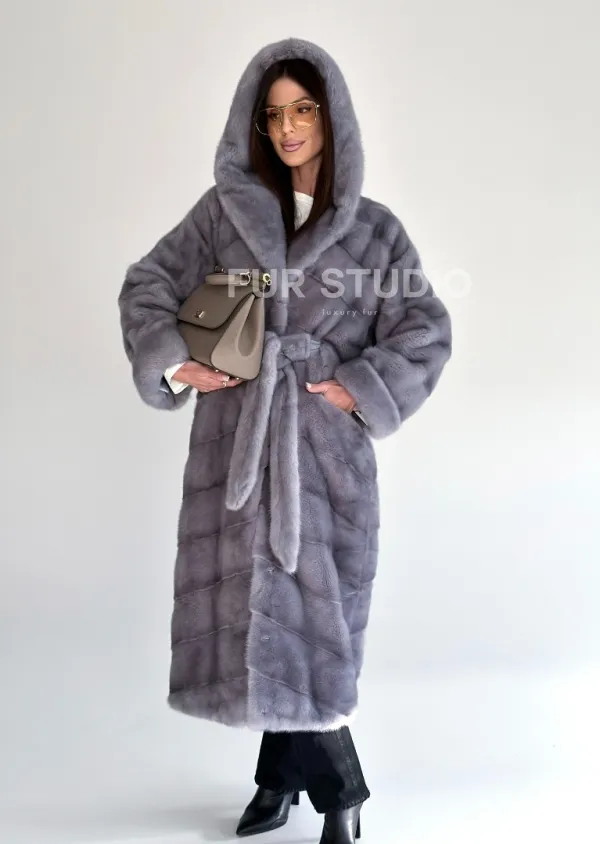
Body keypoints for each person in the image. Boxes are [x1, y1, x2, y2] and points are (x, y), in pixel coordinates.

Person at [117, 37, 452, 844]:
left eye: (304, 109)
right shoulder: (223, 213)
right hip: (238, 440)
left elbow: (425, 328)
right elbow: (147, 284)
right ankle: (278, 780)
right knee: (260, 617)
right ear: (256, 127)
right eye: (274, 115)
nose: (289, 127)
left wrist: (358, 388)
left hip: (323, 458)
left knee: (314, 626)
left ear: (332, 119)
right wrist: (176, 363)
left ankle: (342, 794)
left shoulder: (374, 232)